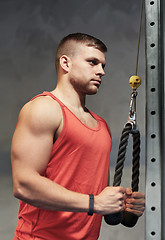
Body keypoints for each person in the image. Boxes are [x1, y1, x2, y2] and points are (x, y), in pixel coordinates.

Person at [11, 33, 145, 240]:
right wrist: (95, 202)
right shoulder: (43, 109)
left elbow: (93, 193)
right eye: (92, 62)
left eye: (103, 66)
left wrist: (122, 205)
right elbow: (24, 184)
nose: (101, 71)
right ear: (66, 62)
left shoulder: (101, 126)